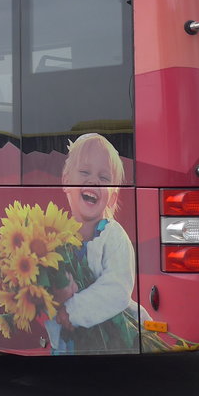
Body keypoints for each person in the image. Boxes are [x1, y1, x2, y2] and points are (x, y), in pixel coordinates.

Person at [47, 133, 141, 353]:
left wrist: (72, 311)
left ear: (113, 196)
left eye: (104, 178)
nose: (93, 181)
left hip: (115, 334)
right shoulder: (55, 237)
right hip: (71, 339)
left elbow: (117, 288)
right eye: (84, 172)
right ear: (66, 181)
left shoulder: (113, 236)